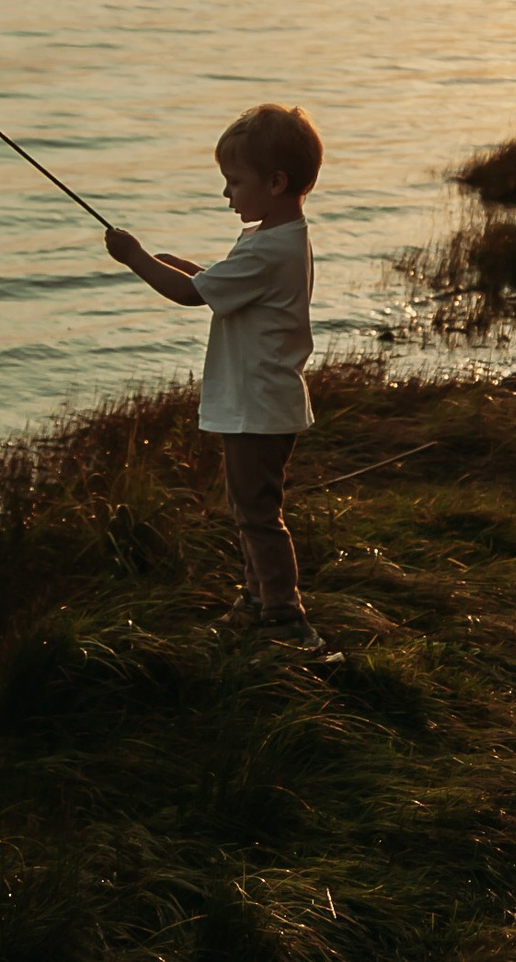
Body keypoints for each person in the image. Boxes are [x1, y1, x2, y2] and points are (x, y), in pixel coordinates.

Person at [105, 104, 325, 650]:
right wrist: (185, 265)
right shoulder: (277, 236)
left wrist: (135, 258)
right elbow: (217, 284)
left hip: (257, 405)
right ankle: (256, 598)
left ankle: (284, 615)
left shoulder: (270, 246)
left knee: (257, 512)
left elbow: (189, 295)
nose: (227, 194)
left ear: (275, 182)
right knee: (249, 506)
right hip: (260, 401)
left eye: (234, 181)